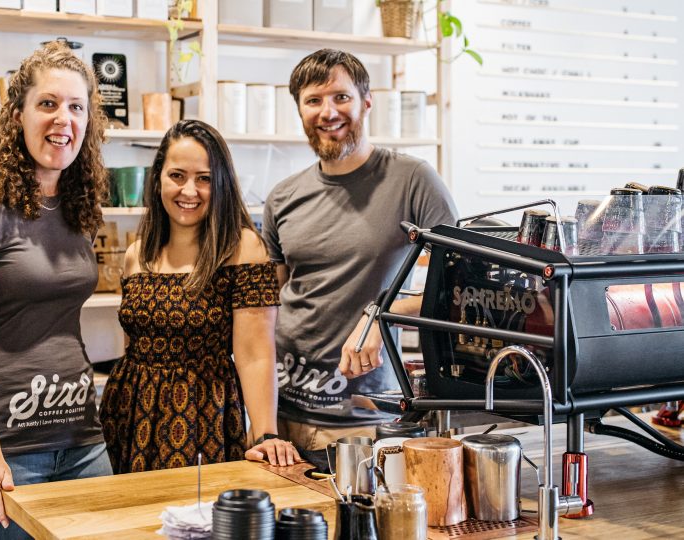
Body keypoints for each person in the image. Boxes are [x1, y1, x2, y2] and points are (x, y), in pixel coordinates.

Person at [0, 42, 113, 539]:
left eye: (77, 107)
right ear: (18, 115)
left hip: (80, 442)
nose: (63, 119)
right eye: (48, 104)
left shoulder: (78, 209)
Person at [262, 49, 459, 451]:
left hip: (363, 418)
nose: (327, 112)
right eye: (313, 100)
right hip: (281, 413)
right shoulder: (283, 197)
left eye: (341, 97)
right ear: (299, 110)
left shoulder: (413, 181)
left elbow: (461, 290)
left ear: (367, 102)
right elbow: (268, 305)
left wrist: (381, 315)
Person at [99, 119, 299, 473]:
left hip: (203, 415)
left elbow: (255, 354)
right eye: (177, 175)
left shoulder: (243, 249)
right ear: (158, 177)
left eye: (203, 178)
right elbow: (134, 344)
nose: (189, 190)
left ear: (220, 183)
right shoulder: (137, 254)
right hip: (129, 413)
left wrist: (265, 432)